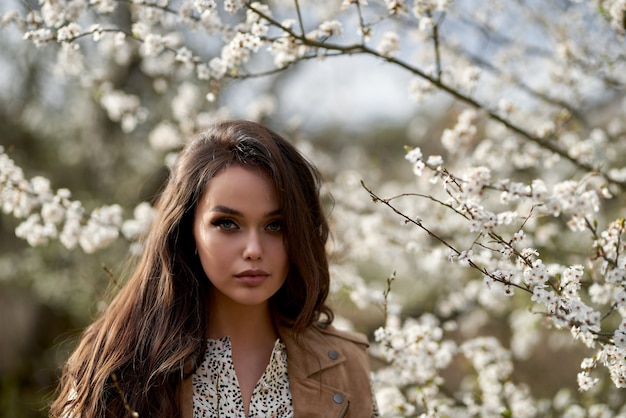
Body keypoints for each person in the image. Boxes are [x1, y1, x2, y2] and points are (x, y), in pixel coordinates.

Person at [50, 120, 376, 417]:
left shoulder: (346, 364)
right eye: (227, 223)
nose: (253, 250)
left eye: (276, 225)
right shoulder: (116, 362)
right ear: (187, 228)